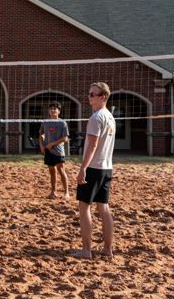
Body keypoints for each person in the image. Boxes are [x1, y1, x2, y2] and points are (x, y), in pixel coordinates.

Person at [74, 82, 116, 259]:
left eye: (93, 94)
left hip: (93, 168)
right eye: (89, 93)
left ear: (103, 97)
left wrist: (82, 168)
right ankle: (107, 249)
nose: (89, 97)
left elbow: (92, 145)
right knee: (103, 208)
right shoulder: (110, 117)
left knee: (84, 208)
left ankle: (86, 250)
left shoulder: (96, 118)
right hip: (106, 168)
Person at [39, 101, 69, 199]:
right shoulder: (45, 122)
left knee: (61, 170)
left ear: (59, 111)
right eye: (51, 109)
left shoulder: (62, 123)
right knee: (52, 171)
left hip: (59, 151)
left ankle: (66, 192)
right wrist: (41, 145)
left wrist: (53, 143)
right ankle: (53, 192)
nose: (52, 110)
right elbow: (41, 135)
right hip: (48, 150)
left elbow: (65, 138)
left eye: (55, 109)